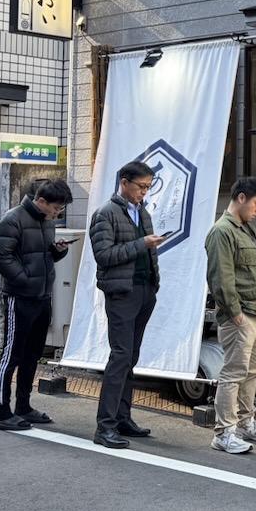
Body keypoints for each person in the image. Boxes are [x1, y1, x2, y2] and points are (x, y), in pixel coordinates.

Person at [89, 160, 169, 448]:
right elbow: (103, 255)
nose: (144, 192)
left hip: (144, 290)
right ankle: (105, 426)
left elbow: (146, 252)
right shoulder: (105, 214)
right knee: (121, 356)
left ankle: (122, 418)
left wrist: (154, 284)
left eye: (148, 187)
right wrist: (142, 244)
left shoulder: (143, 212)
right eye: (141, 186)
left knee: (130, 357)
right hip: (122, 292)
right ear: (124, 182)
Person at [205, 176, 256, 454]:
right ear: (241, 198)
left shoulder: (246, 229)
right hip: (241, 314)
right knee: (234, 372)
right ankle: (224, 432)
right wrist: (235, 313)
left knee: (253, 370)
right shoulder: (222, 231)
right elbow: (220, 278)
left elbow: (252, 265)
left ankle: (245, 422)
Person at [0, 178, 74, 431]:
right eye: (56, 208)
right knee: (12, 354)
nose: (58, 213)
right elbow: (0, 256)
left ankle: (23, 406)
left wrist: (58, 251)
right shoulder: (12, 218)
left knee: (33, 354)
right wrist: (24, 280)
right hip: (20, 297)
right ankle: (2, 412)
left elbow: (43, 255)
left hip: (43, 296)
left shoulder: (47, 221)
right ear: (42, 201)